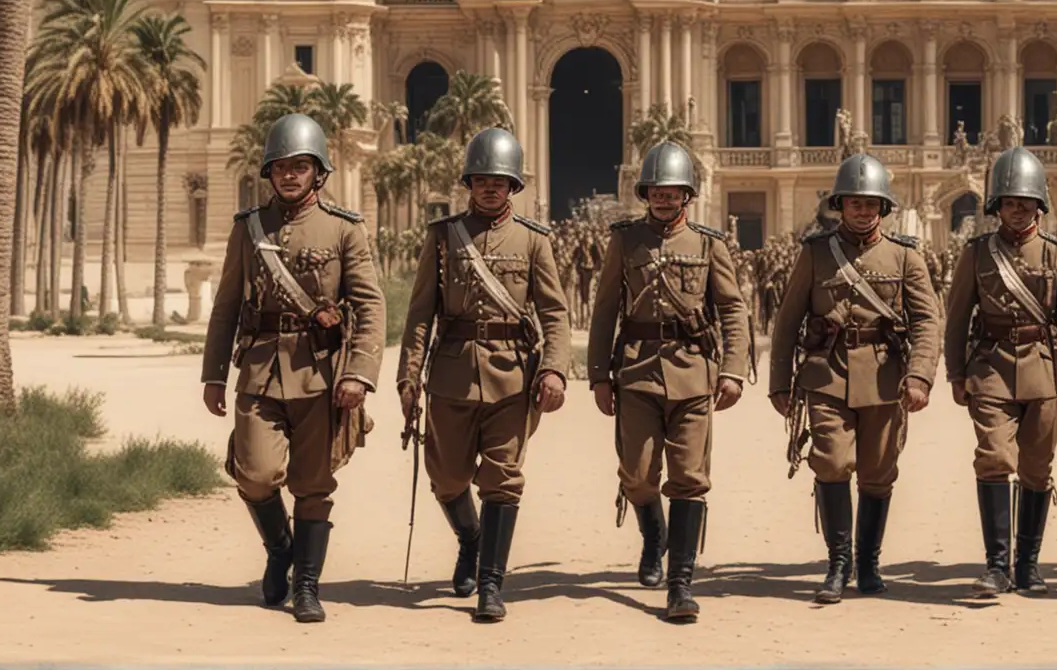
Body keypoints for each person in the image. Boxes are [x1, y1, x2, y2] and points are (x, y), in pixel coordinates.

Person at [201, 113, 385, 623]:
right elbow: (226, 304)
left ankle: (306, 584)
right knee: (255, 474)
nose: (288, 175)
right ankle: (280, 546)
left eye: (299, 166)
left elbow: (370, 306)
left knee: (313, 483)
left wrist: (359, 372)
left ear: (319, 172)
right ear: (269, 172)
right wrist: (214, 373)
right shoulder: (249, 229)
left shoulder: (345, 230)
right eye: (280, 166)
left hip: (322, 373)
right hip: (259, 369)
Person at [396, 127, 570, 622]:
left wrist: (555, 368)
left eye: (500, 181)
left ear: (513, 186)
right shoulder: (443, 236)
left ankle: (491, 584)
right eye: (481, 180)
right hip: (450, 372)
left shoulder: (535, 241)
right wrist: (408, 378)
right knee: (446, 477)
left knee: (503, 479)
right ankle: (470, 538)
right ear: (468, 183)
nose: (490, 188)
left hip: (513, 376)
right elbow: (420, 314)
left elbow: (554, 313)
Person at [767, 153, 943, 604]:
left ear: (883, 208)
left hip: (885, 376)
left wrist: (920, 376)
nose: (862, 212)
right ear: (839, 206)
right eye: (854, 204)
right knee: (829, 462)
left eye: (871, 205)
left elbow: (927, 321)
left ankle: (868, 563)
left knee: (878, 473)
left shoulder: (906, 256)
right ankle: (838, 562)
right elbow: (787, 322)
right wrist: (780, 383)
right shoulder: (814, 253)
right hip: (826, 373)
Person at [586, 141, 750, 623]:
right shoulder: (625, 240)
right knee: (636, 475)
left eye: (672, 191)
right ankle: (652, 533)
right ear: (645, 193)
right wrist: (599, 375)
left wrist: (734, 369)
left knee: (689, 479)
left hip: (694, 372)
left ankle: (680, 583)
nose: (663, 199)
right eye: (656, 191)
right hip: (636, 371)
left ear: (687, 195)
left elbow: (733, 308)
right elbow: (604, 312)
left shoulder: (708, 243)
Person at [942, 146, 1057, 596]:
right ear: (996, 206)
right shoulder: (977, 253)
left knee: (1037, 470)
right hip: (990, 368)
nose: (1018, 210)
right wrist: (956, 373)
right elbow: (957, 316)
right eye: (1009, 202)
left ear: (1039, 205)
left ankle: (1028, 564)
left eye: (1025, 202)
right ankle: (997, 564)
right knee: (994, 457)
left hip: (1044, 369)